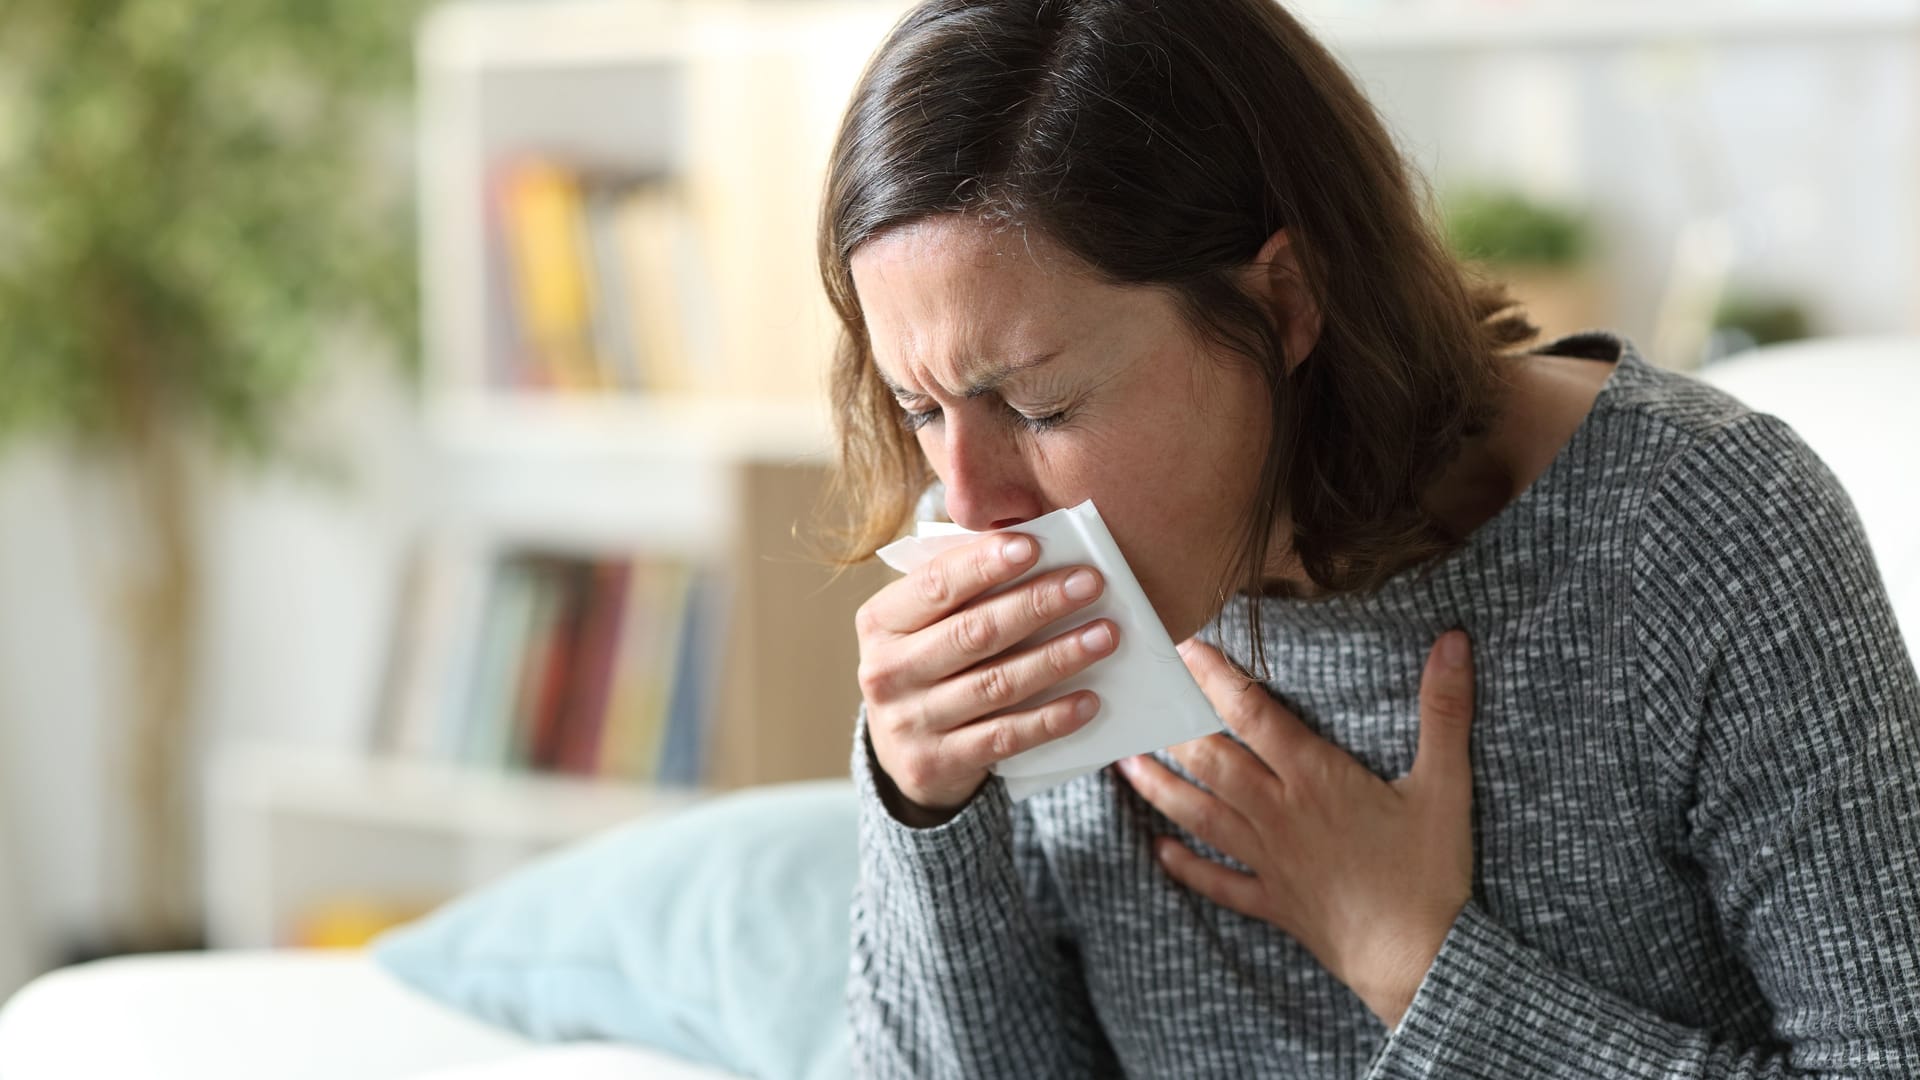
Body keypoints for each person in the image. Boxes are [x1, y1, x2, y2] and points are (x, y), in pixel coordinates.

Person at [813, 0, 1920, 1075]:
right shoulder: (1000, 562)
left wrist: (1419, 968)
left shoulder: (1699, 531)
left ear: (1287, 300)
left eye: (1041, 406)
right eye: (920, 409)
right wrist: (924, 809)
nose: (966, 504)